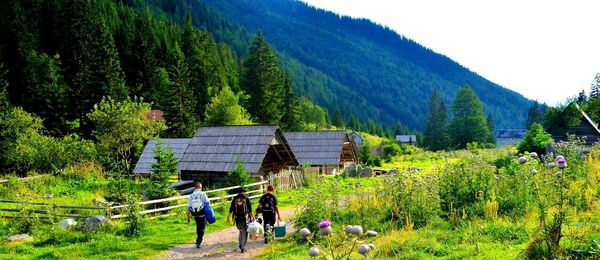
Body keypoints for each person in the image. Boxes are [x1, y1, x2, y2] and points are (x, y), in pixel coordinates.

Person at [227, 187, 253, 253]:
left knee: (240, 231)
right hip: (245, 218)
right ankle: (242, 247)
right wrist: (253, 217)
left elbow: (231, 208)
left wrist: (228, 216)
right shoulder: (246, 198)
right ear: (243, 192)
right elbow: (250, 209)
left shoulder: (235, 198)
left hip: (237, 218)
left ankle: (240, 245)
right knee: (244, 232)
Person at [187, 182, 210, 249]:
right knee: (202, 227)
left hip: (195, 214)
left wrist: (188, 217)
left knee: (198, 226)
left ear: (195, 187)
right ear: (200, 187)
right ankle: (198, 241)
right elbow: (208, 203)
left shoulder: (191, 195)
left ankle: (199, 238)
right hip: (202, 214)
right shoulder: (203, 194)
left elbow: (188, 207)